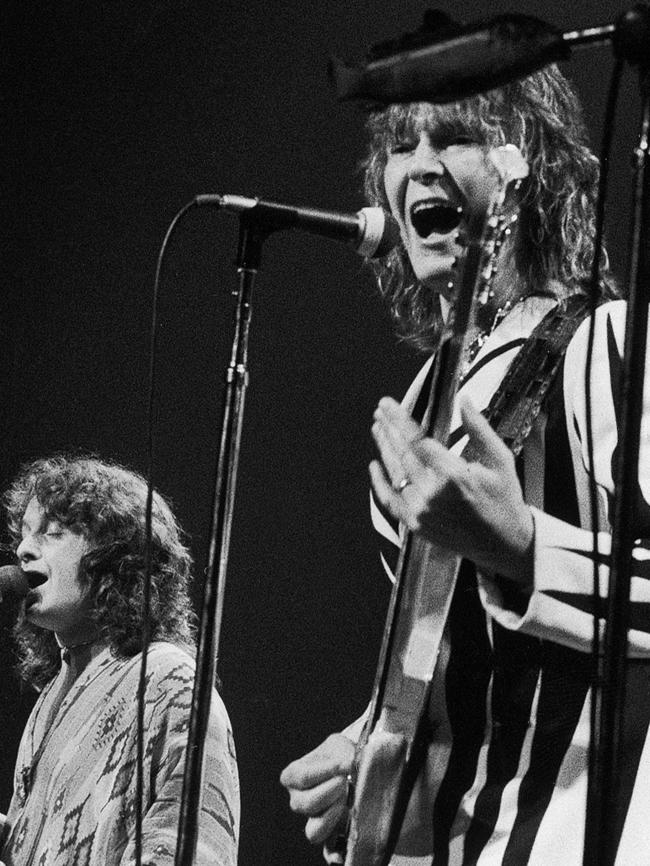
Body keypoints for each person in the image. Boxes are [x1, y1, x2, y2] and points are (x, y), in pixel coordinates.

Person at [280, 63, 650, 865]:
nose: (419, 163)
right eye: (402, 145)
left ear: (530, 169)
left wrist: (526, 549)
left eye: (454, 137)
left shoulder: (607, 347)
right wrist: (373, 743)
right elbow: (456, 652)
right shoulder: (424, 396)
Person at [0, 455, 240, 865]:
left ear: (115, 556)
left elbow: (193, 849)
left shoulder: (168, 680)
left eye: (53, 533)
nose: (23, 550)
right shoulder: (50, 700)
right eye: (24, 535)